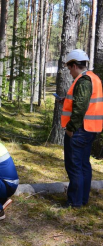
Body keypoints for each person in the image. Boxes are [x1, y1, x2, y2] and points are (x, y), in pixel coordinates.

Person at [59, 49, 103, 208]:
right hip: (90, 129)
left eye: (69, 68)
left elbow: (80, 108)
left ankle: (74, 201)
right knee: (84, 165)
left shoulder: (83, 81)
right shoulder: (93, 78)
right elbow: (85, 102)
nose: (69, 72)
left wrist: (70, 128)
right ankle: (82, 199)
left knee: (75, 166)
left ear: (74, 65)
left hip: (79, 130)